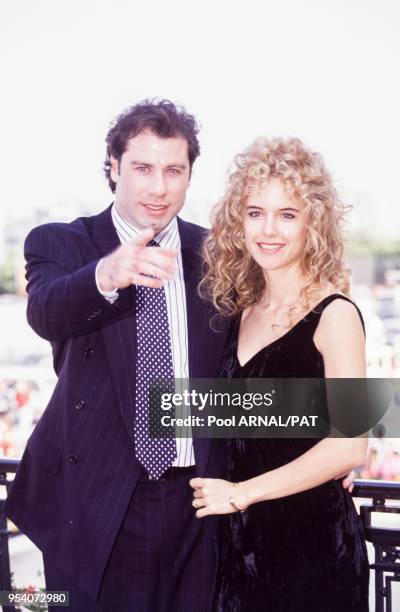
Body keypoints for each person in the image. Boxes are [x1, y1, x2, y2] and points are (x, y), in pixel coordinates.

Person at [5, 99, 231, 611]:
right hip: (93, 502)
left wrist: (329, 439)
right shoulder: (64, 243)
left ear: (190, 175)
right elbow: (45, 312)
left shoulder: (217, 253)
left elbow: (252, 361)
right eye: (142, 168)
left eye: (174, 170)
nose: (158, 187)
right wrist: (107, 274)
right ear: (113, 166)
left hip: (197, 502)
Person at [190, 137, 369, 611]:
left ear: (313, 223)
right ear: (238, 221)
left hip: (313, 549)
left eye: (287, 214)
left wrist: (242, 494)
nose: (268, 229)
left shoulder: (336, 315)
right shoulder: (239, 313)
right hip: (238, 551)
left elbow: (351, 443)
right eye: (255, 212)